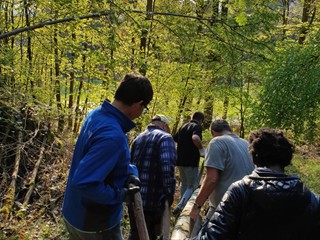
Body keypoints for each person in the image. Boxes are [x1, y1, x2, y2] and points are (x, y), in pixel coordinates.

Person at [62, 73, 153, 240]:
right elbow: (85, 182)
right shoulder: (113, 136)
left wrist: (130, 172)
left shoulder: (95, 115)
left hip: (72, 212)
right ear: (138, 104)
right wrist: (121, 194)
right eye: (144, 108)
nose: (141, 113)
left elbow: (102, 160)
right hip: (95, 224)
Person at [193, 127, 320, 240]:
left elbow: (214, 235)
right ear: (287, 159)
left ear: (253, 158)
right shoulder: (310, 197)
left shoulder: (240, 190)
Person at [190, 120, 254, 222]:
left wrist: (196, 207)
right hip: (246, 207)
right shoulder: (246, 143)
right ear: (229, 130)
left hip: (223, 209)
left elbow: (211, 179)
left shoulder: (216, 142)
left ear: (213, 132)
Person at [128, 114, 177, 240]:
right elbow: (167, 168)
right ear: (165, 125)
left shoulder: (137, 139)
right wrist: (169, 194)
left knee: (135, 233)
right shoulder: (165, 138)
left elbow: (130, 166)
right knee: (149, 235)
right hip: (154, 201)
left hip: (135, 198)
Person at [173, 112, 205, 203]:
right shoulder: (197, 127)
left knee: (184, 184)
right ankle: (182, 206)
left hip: (180, 161)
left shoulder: (183, 126)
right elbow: (195, 138)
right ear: (201, 120)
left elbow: (173, 139)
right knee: (192, 186)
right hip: (191, 162)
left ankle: (181, 207)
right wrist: (201, 149)